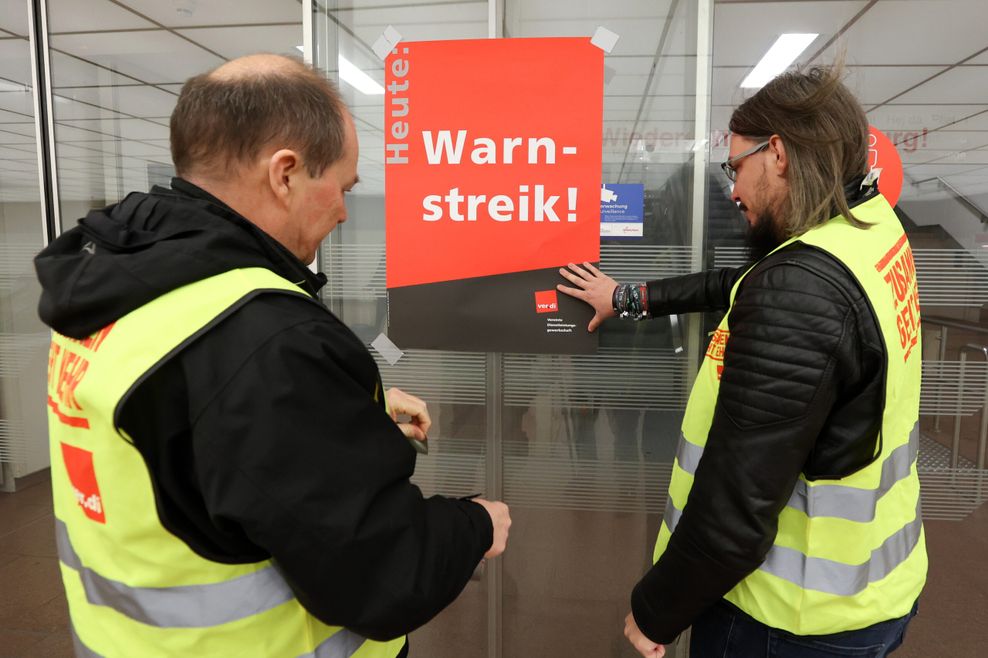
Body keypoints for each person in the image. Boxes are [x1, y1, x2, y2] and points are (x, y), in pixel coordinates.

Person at [36, 54, 510, 658]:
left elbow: (184, 426)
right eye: (342, 186)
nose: (343, 210)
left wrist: (335, 408)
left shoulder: (114, 284)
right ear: (285, 173)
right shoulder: (262, 336)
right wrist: (476, 525)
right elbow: (380, 575)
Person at [558, 64, 925, 658]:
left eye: (736, 167)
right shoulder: (870, 233)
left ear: (776, 153)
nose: (731, 190)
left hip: (789, 616)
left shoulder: (802, 290)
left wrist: (655, 611)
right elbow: (745, 281)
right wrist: (627, 297)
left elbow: (736, 511)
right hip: (874, 591)